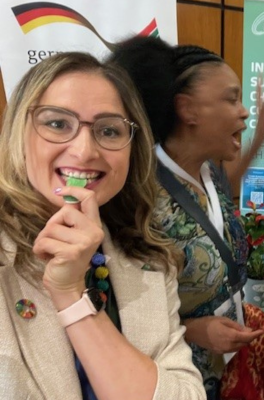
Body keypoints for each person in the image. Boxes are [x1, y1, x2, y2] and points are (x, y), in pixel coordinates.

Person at [0, 53, 205, 399]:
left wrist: (72, 298)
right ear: (19, 131)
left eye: (109, 130)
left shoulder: (151, 260)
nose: (83, 151)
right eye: (57, 123)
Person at [109, 37, 264, 400]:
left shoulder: (208, 171)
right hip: (182, 377)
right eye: (231, 98)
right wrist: (193, 330)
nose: (245, 111)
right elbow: (120, 321)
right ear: (187, 110)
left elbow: (214, 214)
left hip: (228, 364)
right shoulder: (140, 201)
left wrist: (258, 142)